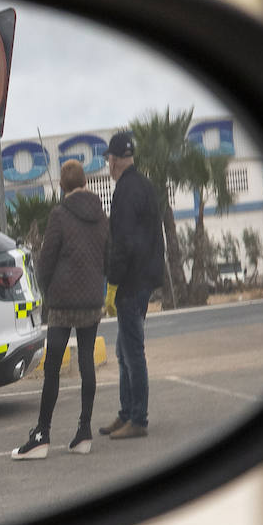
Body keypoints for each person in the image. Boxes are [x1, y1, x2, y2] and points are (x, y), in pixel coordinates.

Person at [12, 160, 110, 460]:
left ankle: (41, 434)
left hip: (63, 302)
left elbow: (46, 260)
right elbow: (108, 255)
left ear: (61, 187)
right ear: (85, 182)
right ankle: (84, 432)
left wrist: (46, 289)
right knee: (86, 363)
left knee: (52, 366)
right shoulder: (101, 214)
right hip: (92, 301)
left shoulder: (60, 214)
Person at [99, 130, 166, 440]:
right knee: (124, 349)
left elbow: (123, 244)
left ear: (114, 161)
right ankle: (126, 412)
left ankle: (138, 418)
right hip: (144, 277)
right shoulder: (145, 185)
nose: (108, 166)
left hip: (130, 281)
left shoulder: (125, 191)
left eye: (108, 161)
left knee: (132, 351)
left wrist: (112, 284)